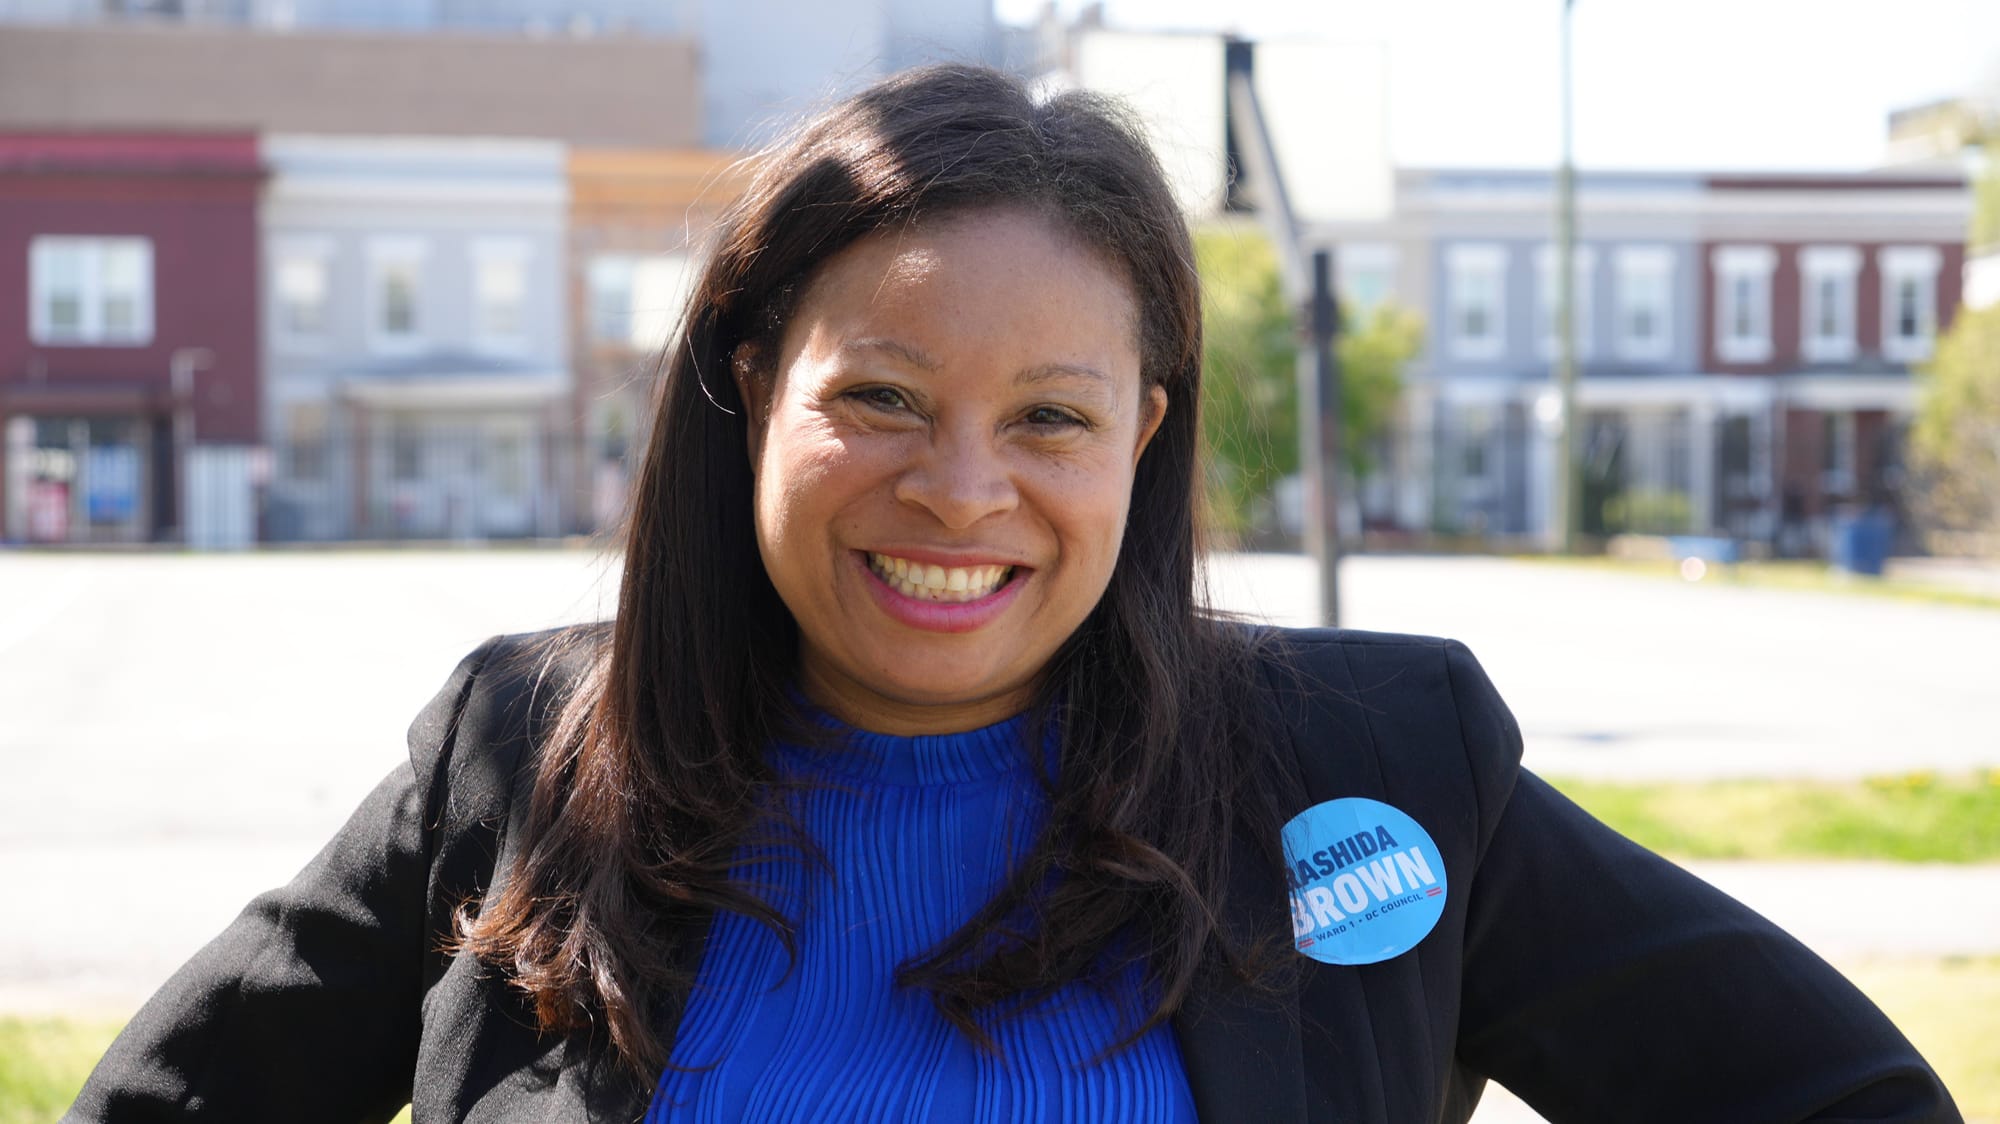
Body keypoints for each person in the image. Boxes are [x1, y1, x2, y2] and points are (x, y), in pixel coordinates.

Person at [71, 64, 1958, 1124]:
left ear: (1142, 434)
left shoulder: (1373, 768)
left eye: (1047, 416)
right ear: (749, 389)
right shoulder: (520, 759)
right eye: (879, 396)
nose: (958, 491)